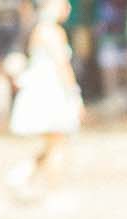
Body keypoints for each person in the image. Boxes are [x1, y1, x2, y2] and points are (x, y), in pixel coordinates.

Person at [5, 0, 82, 200]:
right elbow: (62, 65)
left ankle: (22, 173)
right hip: (52, 90)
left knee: (53, 142)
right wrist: (74, 93)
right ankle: (54, 192)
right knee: (57, 143)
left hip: (41, 89)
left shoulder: (39, 30)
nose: (69, 8)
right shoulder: (52, 32)